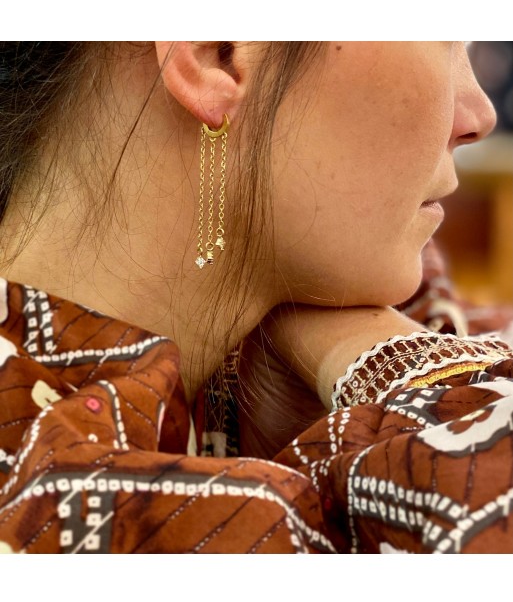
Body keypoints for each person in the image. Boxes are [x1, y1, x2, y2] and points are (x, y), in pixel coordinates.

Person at [0, 41, 511, 554]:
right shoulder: (48, 505)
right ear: (216, 55)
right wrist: (391, 366)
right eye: (444, 37)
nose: (478, 116)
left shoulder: (427, 315)